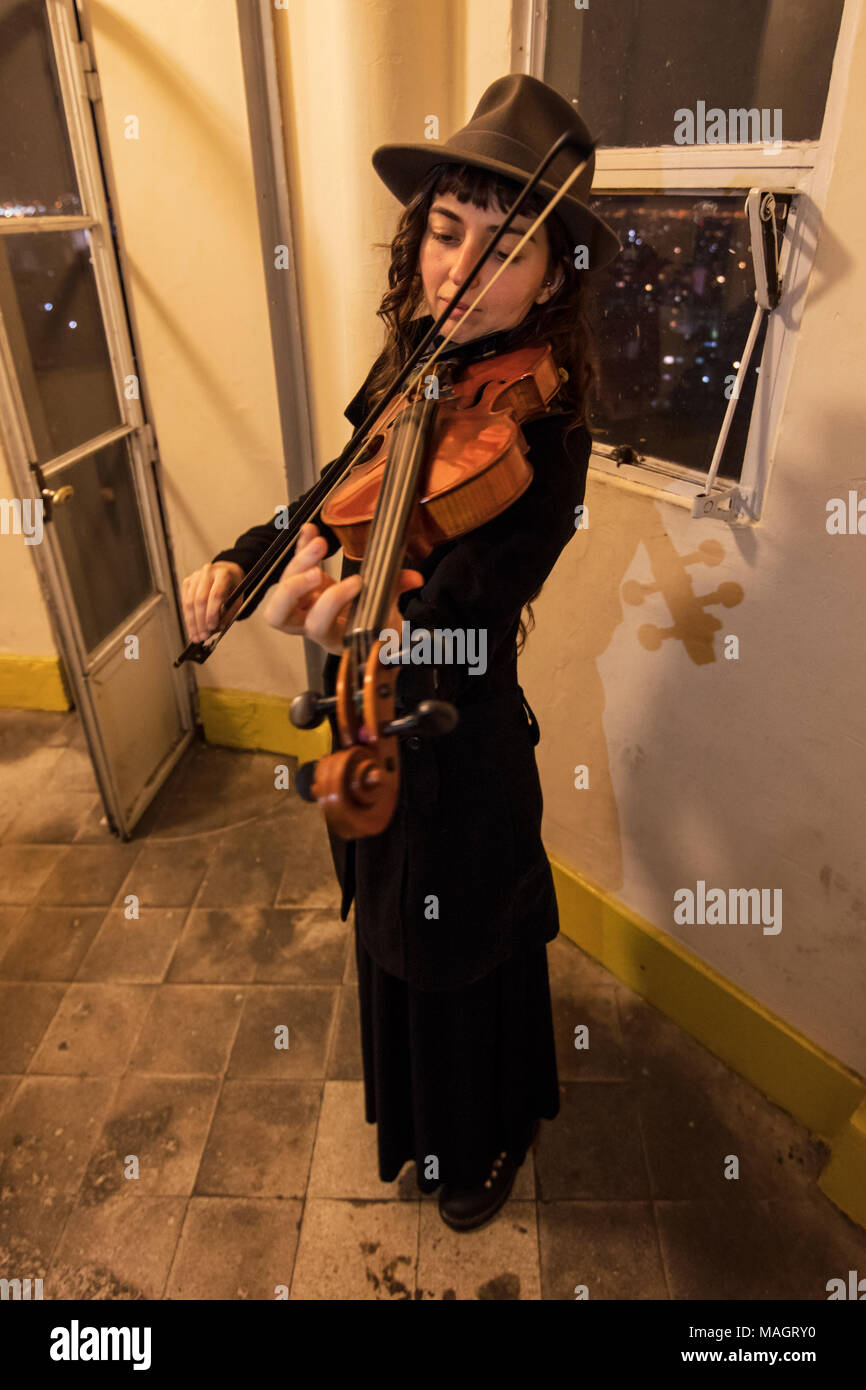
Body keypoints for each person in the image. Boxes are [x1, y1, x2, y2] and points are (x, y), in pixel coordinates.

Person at [181, 74, 620, 1232]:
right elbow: (335, 502)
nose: (462, 271)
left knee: (460, 948)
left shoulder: (551, 429)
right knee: (390, 929)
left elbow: (485, 609)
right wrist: (244, 559)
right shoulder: (409, 366)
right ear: (416, 237)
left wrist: (373, 623)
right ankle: (421, 1127)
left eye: (506, 249)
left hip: (460, 741)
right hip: (373, 721)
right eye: (445, 231)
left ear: (552, 274)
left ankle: (478, 1144)